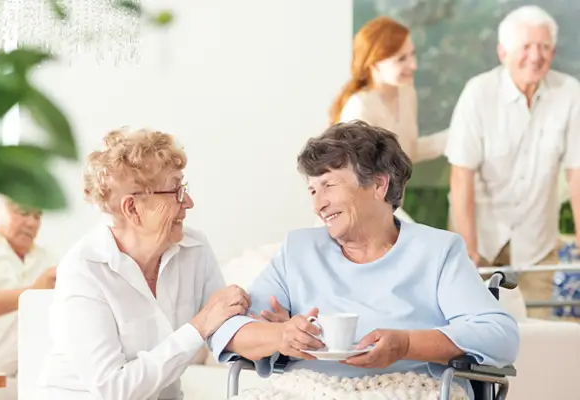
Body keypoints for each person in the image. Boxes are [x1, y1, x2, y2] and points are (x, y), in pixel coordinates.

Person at [209, 121, 519, 398]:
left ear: (378, 185)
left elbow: (499, 335)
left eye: (329, 185)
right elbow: (229, 331)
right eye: (313, 190)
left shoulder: (437, 251)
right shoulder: (298, 250)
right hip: (309, 391)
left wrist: (407, 346)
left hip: (406, 391)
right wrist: (280, 335)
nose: (319, 204)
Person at [37, 128, 250, 399]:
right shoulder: (84, 269)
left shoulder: (194, 249)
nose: (189, 203)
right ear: (133, 208)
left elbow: (224, 326)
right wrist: (198, 326)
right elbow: (114, 389)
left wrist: (266, 324)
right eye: (176, 191)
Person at [444, 5, 580, 320]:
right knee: (476, 329)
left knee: (537, 331)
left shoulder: (570, 94)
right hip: (480, 233)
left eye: (544, 47)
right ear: (503, 51)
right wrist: (467, 246)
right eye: (527, 46)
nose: (536, 56)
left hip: (536, 240)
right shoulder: (478, 93)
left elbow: (577, 175)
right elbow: (461, 174)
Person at [329, 16, 447, 164]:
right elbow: (359, 177)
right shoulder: (360, 108)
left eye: (412, 54)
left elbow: (407, 152)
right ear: (374, 64)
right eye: (401, 59)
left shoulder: (406, 92)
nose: (414, 65)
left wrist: (454, 135)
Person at [0, 195, 56, 400]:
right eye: (22, 212)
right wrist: (32, 292)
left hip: (34, 382)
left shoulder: (49, 259)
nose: (31, 223)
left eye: (37, 216)